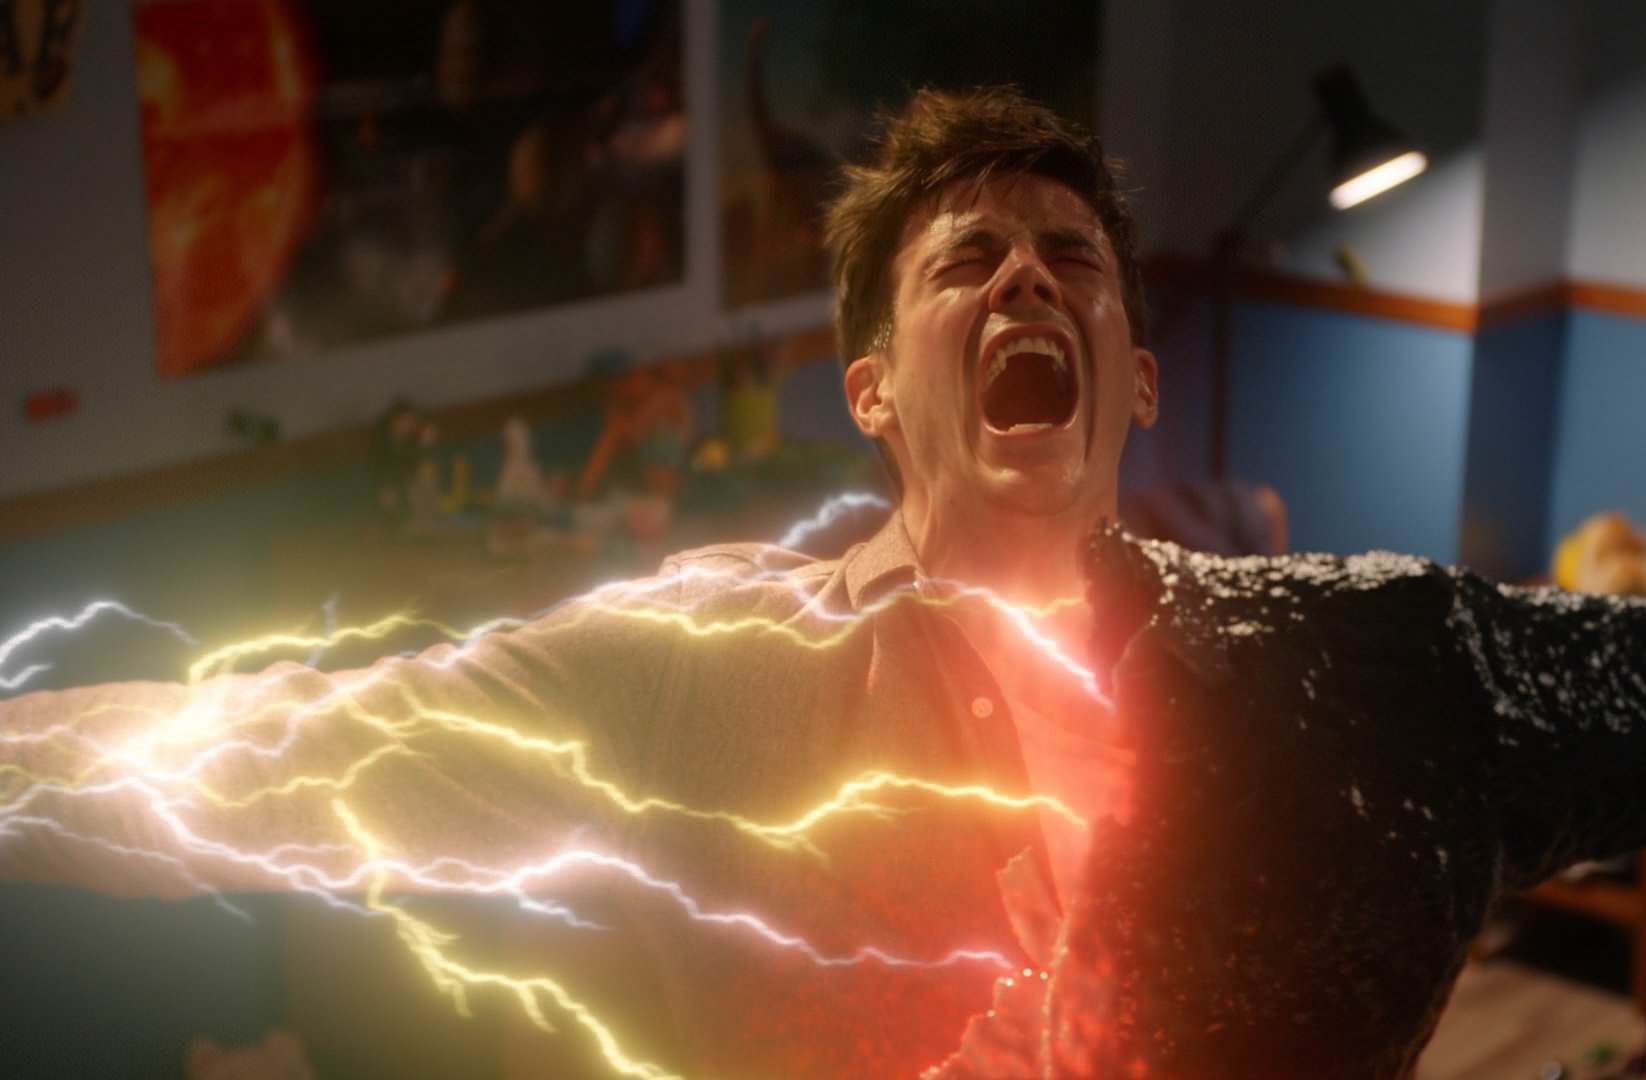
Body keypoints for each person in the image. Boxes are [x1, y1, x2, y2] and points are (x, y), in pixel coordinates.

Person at [0, 87, 1158, 1078]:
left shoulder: (1236, 673)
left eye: (1072, 258)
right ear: (872, 393)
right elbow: (280, 757)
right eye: (968, 261)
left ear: (1143, 380)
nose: (1027, 278)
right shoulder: (712, 661)